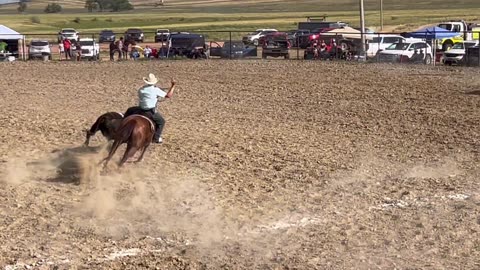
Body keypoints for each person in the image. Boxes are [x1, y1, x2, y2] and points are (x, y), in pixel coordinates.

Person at [124, 74, 176, 144]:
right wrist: (173, 86)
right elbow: (168, 95)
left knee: (130, 110)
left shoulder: (141, 89)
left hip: (140, 109)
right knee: (161, 122)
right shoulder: (155, 90)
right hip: (150, 111)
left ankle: (123, 125)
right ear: (154, 82)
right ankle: (156, 138)